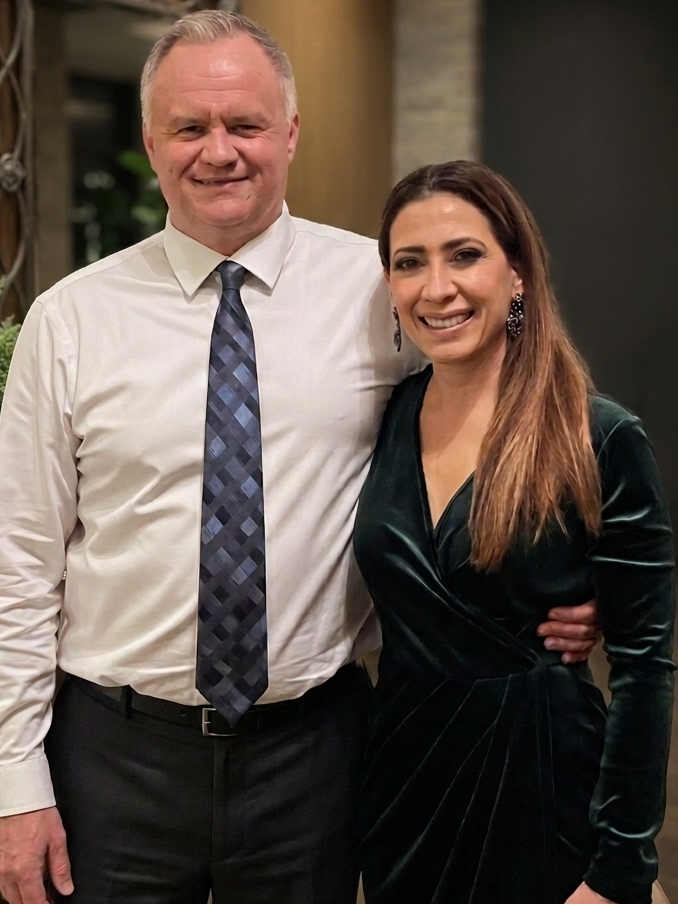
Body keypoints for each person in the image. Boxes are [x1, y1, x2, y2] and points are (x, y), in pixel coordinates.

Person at [0, 14, 598, 904]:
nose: (219, 152)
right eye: (190, 128)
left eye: (244, 124)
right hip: (114, 757)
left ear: (290, 132)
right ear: (151, 140)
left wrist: (551, 589)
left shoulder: (384, 292)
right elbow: (20, 561)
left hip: (314, 756)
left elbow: (490, 437)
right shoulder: (72, 318)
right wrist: (15, 784)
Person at [353, 160, 675, 904]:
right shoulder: (385, 417)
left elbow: (645, 673)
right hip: (406, 791)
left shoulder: (598, 436)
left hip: (542, 785)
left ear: (518, 273)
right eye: (410, 263)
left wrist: (621, 868)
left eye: (464, 254)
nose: (438, 287)